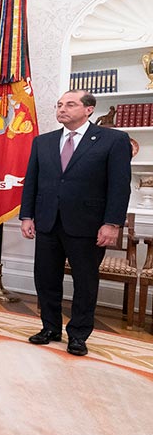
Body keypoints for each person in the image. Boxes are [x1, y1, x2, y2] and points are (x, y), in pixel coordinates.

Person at [19, 90, 131, 356]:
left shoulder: (113, 140)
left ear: (89, 109)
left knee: (85, 282)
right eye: (59, 105)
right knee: (46, 279)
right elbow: (31, 182)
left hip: (88, 224)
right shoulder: (43, 142)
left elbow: (119, 186)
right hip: (47, 221)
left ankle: (79, 335)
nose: (62, 109)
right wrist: (26, 216)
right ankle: (50, 328)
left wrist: (112, 224)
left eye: (70, 104)